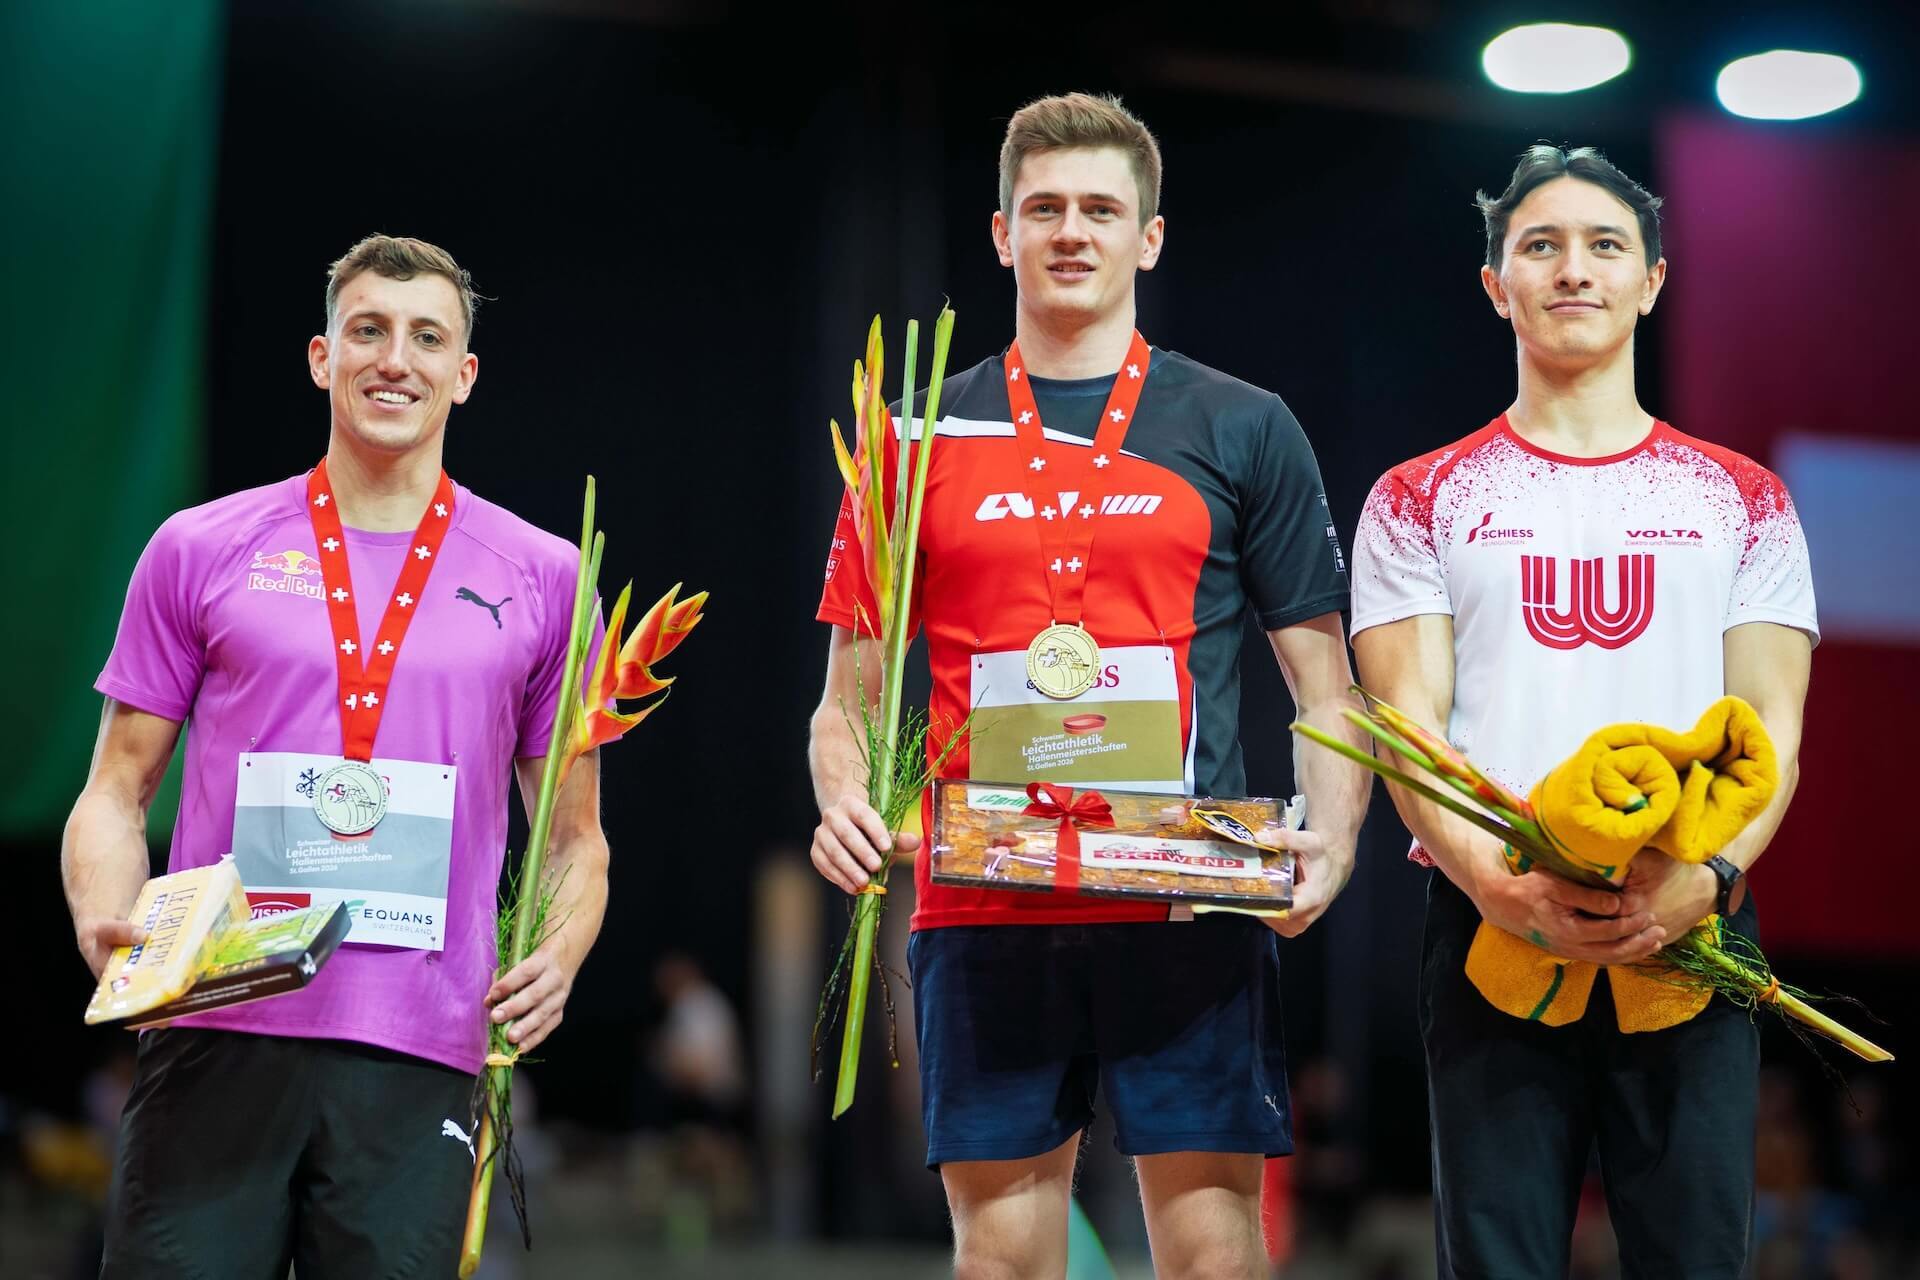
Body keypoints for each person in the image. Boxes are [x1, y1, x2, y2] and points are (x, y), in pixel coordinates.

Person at [807, 92, 1370, 1276]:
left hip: (1187, 891)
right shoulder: (914, 435)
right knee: (1003, 1254)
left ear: (1149, 237)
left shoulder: (1244, 424)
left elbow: (1326, 688)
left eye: (1102, 210)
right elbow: (849, 691)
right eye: (1046, 208)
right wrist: (845, 798)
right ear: (1001, 232)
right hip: (986, 895)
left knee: (1213, 1247)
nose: (1073, 231)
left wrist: (1333, 838)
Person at [62, 235, 612, 1278]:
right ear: (323, 357)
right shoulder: (199, 548)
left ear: (465, 373)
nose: (394, 359)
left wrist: (561, 953)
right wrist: (108, 914)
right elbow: (113, 792)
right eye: (368, 330)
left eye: (426, 337)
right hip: (218, 1018)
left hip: (420, 1049)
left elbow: (576, 840)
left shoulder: (544, 577)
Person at [1350, 145, 1817, 1277]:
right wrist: (1496, 885)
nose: (1573, 269)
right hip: (1492, 917)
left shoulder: (1744, 498)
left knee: (1695, 1259)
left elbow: (1772, 730)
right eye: (1541, 246)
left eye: (1606, 245)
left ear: (1651, 281)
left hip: (1690, 916)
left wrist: (1709, 878)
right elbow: (1408, 729)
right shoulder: (1418, 496)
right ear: (1495, 284)